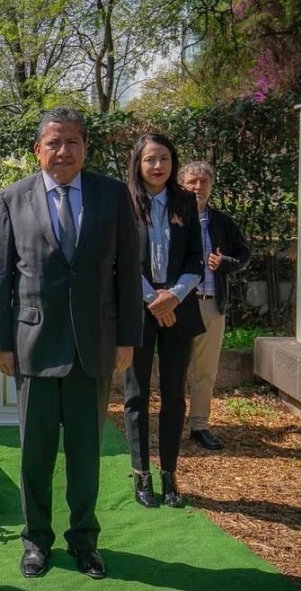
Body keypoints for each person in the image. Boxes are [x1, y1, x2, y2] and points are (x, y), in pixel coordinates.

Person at [0, 107, 142, 580]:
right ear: (38, 150)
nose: (63, 150)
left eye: (72, 141)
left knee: (85, 451)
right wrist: (0, 343)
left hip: (93, 345)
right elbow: (0, 278)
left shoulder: (112, 196)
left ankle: (84, 540)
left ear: (85, 148)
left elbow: (126, 274)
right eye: (53, 142)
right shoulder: (12, 199)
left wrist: (128, 338)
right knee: (34, 453)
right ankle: (36, 541)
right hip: (32, 345)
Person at [123, 134, 205, 510]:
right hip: (138, 310)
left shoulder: (186, 201)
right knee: (137, 395)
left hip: (179, 307)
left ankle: (169, 472)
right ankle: (141, 474)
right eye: (150, 160)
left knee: (174, 395)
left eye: (165, 159)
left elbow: (196, 260)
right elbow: (118, 260)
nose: (158, 166)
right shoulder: (123, 203)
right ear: (138, 164)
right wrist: (153, 299)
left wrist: (174, 295)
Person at [179, 161, 251, 450]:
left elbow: (244, 254)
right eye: (192, 181)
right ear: (182, 184)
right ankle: (170, 424)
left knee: (205, 371)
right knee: (175, 369)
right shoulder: (172, 218)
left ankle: (199, 425)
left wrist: (226, 264)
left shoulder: (222, 222)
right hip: (179, 305)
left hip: (211, 305)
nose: (198, 187)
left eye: (204, 182)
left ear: (211, 186)